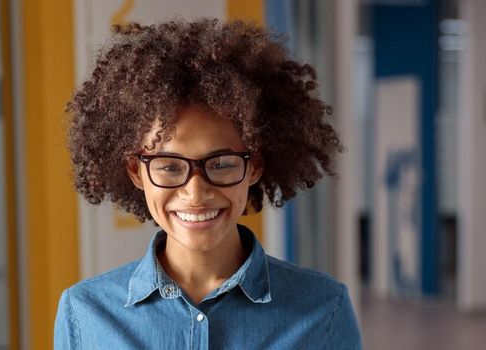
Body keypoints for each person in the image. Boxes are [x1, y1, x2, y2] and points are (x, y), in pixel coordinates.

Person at [54, 19, 361, 349]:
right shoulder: (85, 315)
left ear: (254, 166)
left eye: (222, 164)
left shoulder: (323, 310)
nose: (196, 192)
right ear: (135, 170)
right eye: (170, 166)